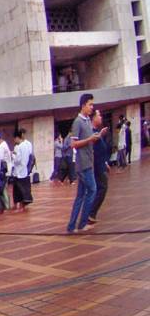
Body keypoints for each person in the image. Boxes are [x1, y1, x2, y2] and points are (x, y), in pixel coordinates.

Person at [67, 93, 106, 234]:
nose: (92, 107)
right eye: (90, 104)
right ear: (83, 105)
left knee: (80, 196)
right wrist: (90, 139)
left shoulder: (87, 121)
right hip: (83, 165)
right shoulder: (78, 122)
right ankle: (83, 222)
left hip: (88, 162)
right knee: (93, 190)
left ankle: (72, 226)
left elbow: (89, 138)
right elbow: (73, 144)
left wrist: (97, 136)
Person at [88, 110, 110, 224]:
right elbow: (91, 147)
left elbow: (101, 149)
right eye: (99, 115)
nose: (101, 117)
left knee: (98, 189)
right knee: (102, 188)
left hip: (101, 164)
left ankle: (90, 213)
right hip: (96, 166)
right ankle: (90, 213)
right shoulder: (91, 132)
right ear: (93, 118)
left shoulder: (96, 132)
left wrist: (105, 162)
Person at [11, 129, 34, 212]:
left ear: (17, 137)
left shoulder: (19, 146)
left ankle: (21, 207)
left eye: (14, 138)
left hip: (19, 171)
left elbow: (18, 159)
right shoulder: (26, 145)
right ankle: (22, 206)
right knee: (23, 190)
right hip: (24, 170)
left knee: (19, 190)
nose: (14, 140)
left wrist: (13, 156)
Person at [0, 131, 12, 215]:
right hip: (6, 169)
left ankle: (6, 206)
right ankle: (6, 205)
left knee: (3, 188)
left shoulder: (1, 147)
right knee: (4, 188)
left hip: (3, 170)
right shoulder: (4, 144)